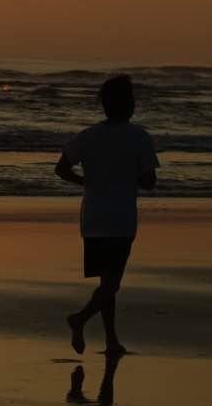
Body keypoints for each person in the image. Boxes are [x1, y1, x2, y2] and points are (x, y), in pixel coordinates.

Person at [55, 74, 158, 355]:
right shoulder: (139, 137)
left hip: (93, 218)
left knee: (106, 282)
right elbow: (148, 182)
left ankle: (111, 340)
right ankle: (79, 319)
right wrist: (128, 174)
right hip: (121, 218)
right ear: (129, 104)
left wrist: (86, 183)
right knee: (112, 284)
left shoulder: (88, 136)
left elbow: (61, 168)